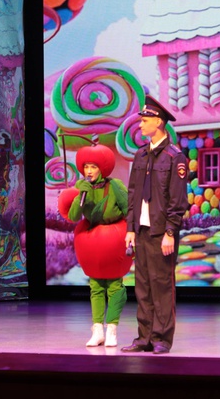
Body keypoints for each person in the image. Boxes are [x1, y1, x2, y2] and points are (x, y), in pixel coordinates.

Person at [120, 95, 189, 355]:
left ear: (158, 122)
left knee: (162, 286)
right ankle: (144, 337)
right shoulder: (140, 155)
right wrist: (130, 228)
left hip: (161, 232)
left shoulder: (174, 157)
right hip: (141, 230)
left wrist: (170, 231)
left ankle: (162, 338)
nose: (140, 124)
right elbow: (133, 194)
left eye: (145, 120)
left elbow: (177, 200)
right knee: (143, 286)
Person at [67, 142, 129, 348]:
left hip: (114, 240)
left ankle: (112, 329)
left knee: (114, 285)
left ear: (102, 168)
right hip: (92, 242)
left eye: (93, 167)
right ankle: (97, 330)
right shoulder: (83, 188)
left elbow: (129, 209)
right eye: (86, 167)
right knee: (95, 286)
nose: (89, 171)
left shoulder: (115, 186)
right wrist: (80, 195)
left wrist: (132, 233)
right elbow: (73, 216)